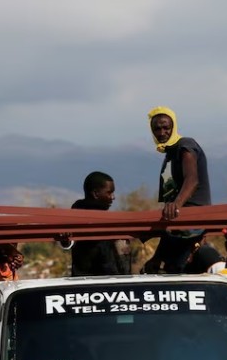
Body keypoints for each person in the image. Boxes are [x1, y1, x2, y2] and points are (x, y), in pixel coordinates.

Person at [144, 106, 211, 274]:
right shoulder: (168, 157)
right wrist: (157, 256)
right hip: (177, 223)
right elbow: (170, 211)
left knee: (179, 268)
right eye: (157, 128)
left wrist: (176, 204)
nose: (162, 132)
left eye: (166, 127)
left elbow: (192, 179)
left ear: (174, 126)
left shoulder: (185, 145)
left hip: (192, 217)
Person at [66, 171, 130, 276]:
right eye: (109, 193)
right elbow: (70, 240)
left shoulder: (104, 216)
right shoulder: (80, 214)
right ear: (96, 194)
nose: (113, 197)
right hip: (91, 280)